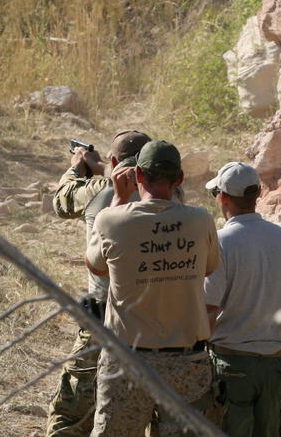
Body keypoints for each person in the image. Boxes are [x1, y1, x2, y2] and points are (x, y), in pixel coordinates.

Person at [85, 140, 220, 437]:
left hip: (127, 361)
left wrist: (118, 201)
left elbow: (95, 266)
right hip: (187, 361)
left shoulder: (111, 220)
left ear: (138, 176)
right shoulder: (201, 221)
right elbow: (209, 268)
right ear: (180, 179)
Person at [46, 130, 153, 437]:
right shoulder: (167, 193)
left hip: (103, 317)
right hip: (153, 322)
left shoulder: (100, 188)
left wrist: (79, 166)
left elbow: (61, 201)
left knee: (72, 414)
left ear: (115, 161)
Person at [203, 162, 281, 437]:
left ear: (223, 198)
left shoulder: (221, 242)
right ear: (259, 194)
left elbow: (209, 309)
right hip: (276, 365)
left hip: (232, 364)